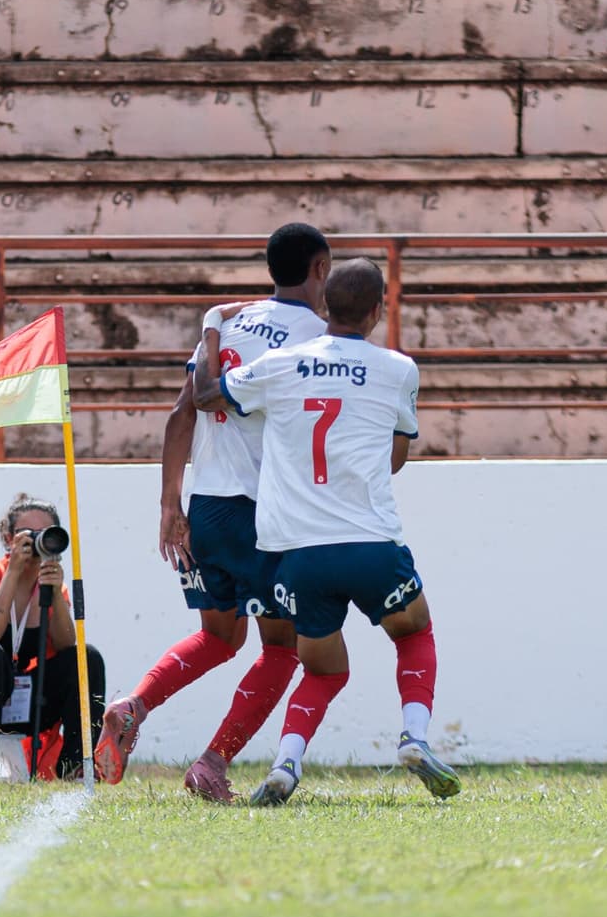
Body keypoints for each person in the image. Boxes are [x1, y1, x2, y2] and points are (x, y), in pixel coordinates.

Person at [193, 257, 462, 805]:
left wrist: (212, 324)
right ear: (378, 309)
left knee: (323, 669)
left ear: (326, 307)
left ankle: (287, 764)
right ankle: (413, 737)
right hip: (369, 542)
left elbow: (203, 394)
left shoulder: (279, 363)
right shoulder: (398, 369)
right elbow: (394, 458)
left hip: (298, 554)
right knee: (413, 633)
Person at [94, 223, 332, 801]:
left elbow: (183, 412)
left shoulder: (226, 327)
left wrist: (168, 504)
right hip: (264, 514)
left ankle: (133, 704)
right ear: (321, 268)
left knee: (221, 636)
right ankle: (213, 764)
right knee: (283, 647)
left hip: (206, 507)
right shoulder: (318, 338)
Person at [0, 492, 106, 781]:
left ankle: (76, 765)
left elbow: (64, 645)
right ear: (8, 538)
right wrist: (14, 572)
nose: (36, 541)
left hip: (22, 699)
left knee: (87, 657)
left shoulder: (50, 584)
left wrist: (57, 595)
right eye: (28, 534)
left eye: (43, 534)